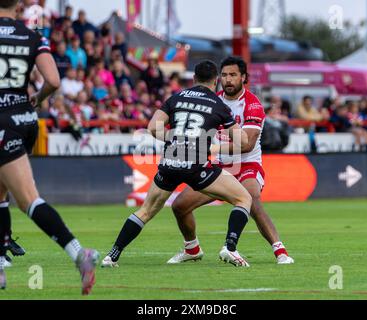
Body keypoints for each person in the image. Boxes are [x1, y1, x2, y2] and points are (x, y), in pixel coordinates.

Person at [101, 60, 253, 268]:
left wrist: (175, 138)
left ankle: (112, 255)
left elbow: (153, 128)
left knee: (145, 211)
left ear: (193, 79)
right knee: (243, 198)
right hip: (196, 165)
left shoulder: (176, 97)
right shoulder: (219, 105)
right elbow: (243, 141)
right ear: (216, 81)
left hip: (171, 161)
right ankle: (230, 247)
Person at [0, 0, 98, 294]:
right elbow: (53, 80)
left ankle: (79, 254)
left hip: (1, 120)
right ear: (18, 5)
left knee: (28, 199)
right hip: (25, 119)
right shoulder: (33, 36)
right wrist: (37, 98)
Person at [167, 56, 294, 265]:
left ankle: (280, 251)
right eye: (224, 75)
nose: (228, 80)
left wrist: (214, 146)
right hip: (220, 166)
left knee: (251, 196)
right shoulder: (213, 101)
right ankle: (192, 249)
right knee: (180, 206)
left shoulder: (252, 105)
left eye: (233, 75)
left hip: (247, 164)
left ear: (243, 77)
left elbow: (247, 144)